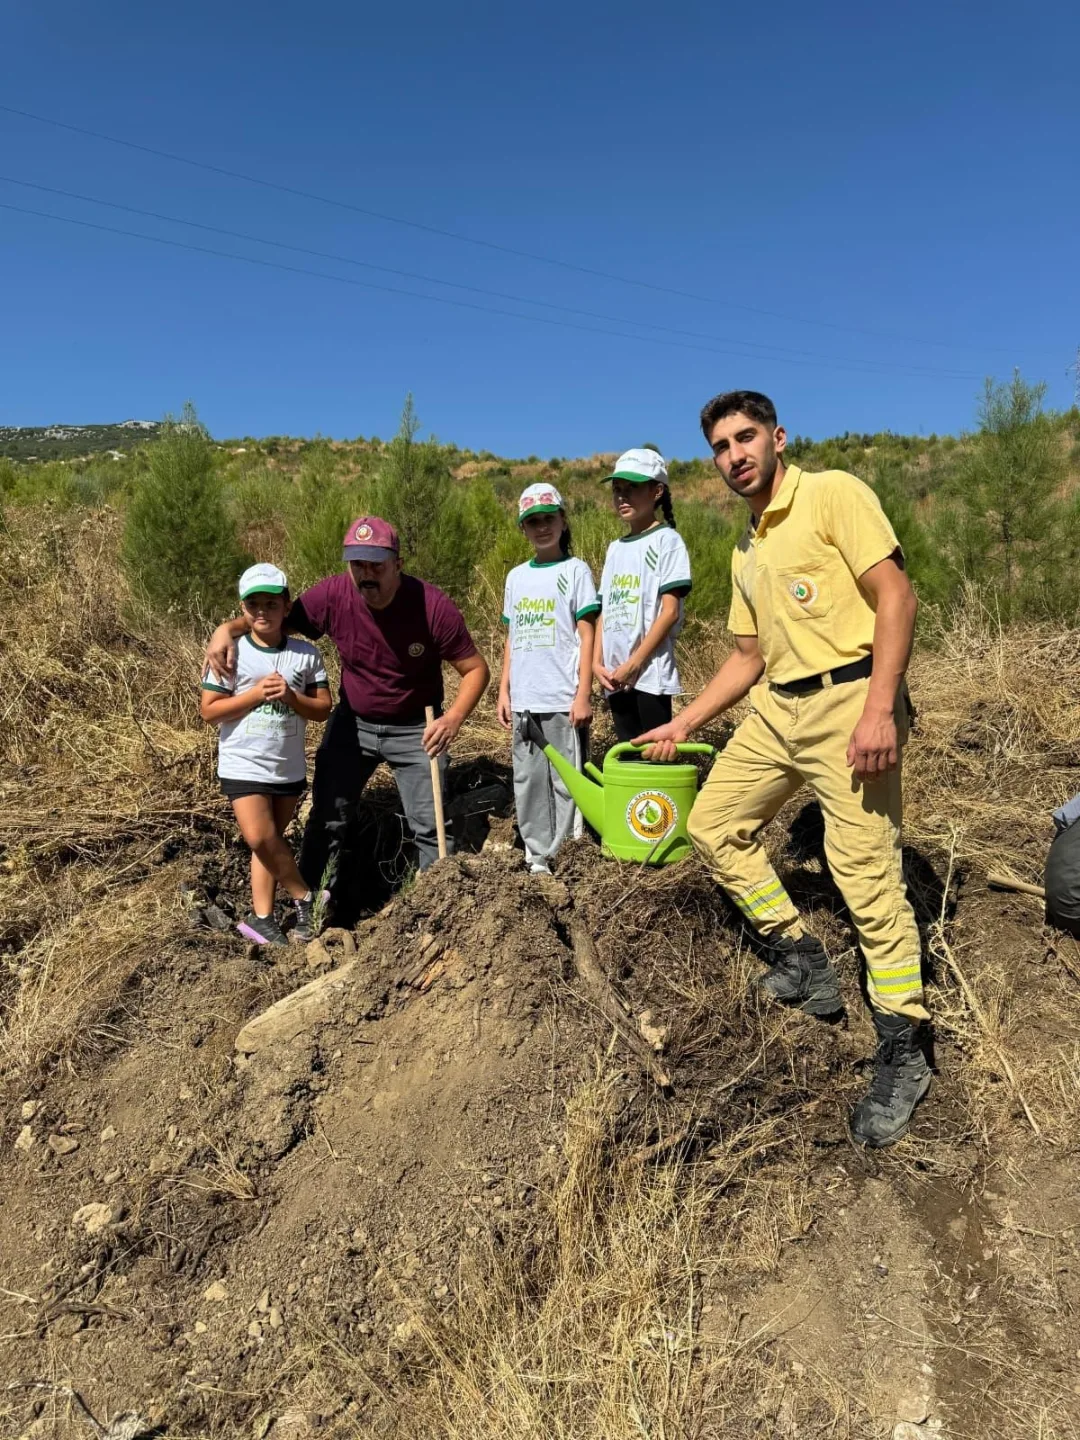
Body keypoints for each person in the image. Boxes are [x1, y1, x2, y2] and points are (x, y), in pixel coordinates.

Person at [638, 391, 930, 1148]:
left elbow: (896, 596)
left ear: (778, 438)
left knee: (866, 877)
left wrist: (880, 707)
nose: (734, 455)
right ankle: (803, 959)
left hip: (851, 701)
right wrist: (684, 722)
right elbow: (748, 658)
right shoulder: (746, 549)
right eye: (720, 446)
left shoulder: (832, 494)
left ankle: (905, 1046)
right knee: (712, 825)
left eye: (746, 437)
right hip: (779, 709)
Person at [204, 518, 490, 907]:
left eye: (376, 565)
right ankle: (314, 909)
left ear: (398, 564)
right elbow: (271, 617)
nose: (366, 574)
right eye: (358, 564)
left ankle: (437, 910)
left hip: (416, 729)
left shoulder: (432, 606)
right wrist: (226, 629)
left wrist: (452, 718)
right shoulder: (333, 595)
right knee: (326, 818)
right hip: (353, 724)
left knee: (431, 826)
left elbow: (476, 669)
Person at [200, 563, 332, 946]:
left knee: (270, 842)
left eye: (271, 603)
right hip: (243, 762)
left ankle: (262, 920)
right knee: (259, 837)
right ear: (242, 608)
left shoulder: (306, 655)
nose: (262, 611)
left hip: (286, 765)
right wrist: (255, 695)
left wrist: (291, 697)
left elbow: (323, 708)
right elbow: (209, 711)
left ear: (286, 606)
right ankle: (306, 897)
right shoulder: (230, 651)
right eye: (253, 604)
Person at [496, 483, 600, 873]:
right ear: (523, 528)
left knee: (565, 778)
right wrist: (504, 690)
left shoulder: (575, 571)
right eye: (533, 522)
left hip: (561, 698)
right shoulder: (516, 577)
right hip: (525, 699)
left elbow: (587, 634)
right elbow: (512, 637)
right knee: (529, 779)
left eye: (548, 519)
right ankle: (536, 854)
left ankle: (568, 853)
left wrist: (583, 693)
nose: (542, 527)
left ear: (562, 521)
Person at [593, 448, 692, 743]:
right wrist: (597, 663)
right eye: (617, 490)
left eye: (632, 488)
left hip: (649, 673)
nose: (622, 497)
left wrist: (635, 663)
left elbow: (670, 612)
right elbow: (605, 611)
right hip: (614, 675)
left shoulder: (667, 541)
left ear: (656, 491)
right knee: (627, 754)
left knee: (655, 753)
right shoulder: (615, 549)